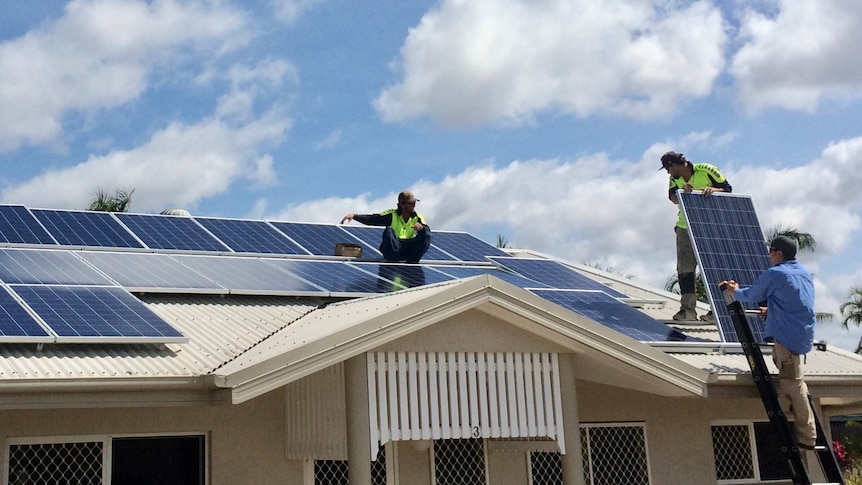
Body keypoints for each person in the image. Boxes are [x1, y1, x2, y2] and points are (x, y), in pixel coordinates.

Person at [722, 236, 817, 449]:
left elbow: (752, 294)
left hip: (787, 338)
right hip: (801, 334)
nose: (769, 255)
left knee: (793, 385)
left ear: (779, 253)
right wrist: (773, 310)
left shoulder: (776, 273)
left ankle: (807, 436)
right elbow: (795, 302)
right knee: (789, 383)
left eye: (771, 251)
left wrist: (733, 291)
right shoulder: (802, 272)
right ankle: (787, 427)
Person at [660, 151, 732, 321]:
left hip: (710, 227)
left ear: (674, 164)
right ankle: (687, 311)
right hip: (685, 227)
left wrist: (712, 190)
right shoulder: (675, 179)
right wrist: (682, 192)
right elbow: (672, 197)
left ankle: (718, 312)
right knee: (685, 270)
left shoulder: (707, 170)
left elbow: (728, 190)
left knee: (714, 270)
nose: (668, 173)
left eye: (668, 169)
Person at [340, 190, 432, 263]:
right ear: (402, 204)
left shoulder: (417, 217)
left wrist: (421, 227)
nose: (413, 206)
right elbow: (373, 219)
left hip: (409, 248)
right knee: (389, 230)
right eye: (411, 203)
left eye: (414, 203)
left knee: (427, 235)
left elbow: (426, 230)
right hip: (394, 247)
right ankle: (394, 261)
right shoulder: (392, 215)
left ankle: (413, 261)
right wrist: (355, 216)